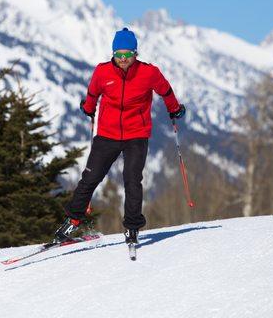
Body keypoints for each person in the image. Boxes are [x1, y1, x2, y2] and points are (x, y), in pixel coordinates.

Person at [54, 27, 186, 245]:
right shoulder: (102, 72)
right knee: (90, 177)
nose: (123, 59)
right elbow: (92, 94)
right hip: (107, 134)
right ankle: (73, 220)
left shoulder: (149, 73)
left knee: (132, 180)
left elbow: (166, 91)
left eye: (127, 54)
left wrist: (174, 109)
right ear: (113, 54)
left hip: (137, 135)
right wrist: (88, 108)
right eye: (118, 54)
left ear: (135, 53)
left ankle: (132, 227)